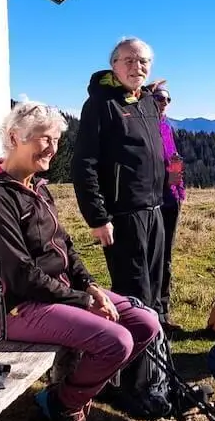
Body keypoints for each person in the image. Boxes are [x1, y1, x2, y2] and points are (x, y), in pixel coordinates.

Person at [0, 101, 160, 421]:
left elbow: (64, 244)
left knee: (146, 323)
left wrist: (90, 285)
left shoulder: (37, 186)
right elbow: (20, 276)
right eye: (44, 139)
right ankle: (66, 406)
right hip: (18, 308)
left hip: (57, 294)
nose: (52, 149)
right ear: (15, 137)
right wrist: (84, 302)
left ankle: (68, 395)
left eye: (56, 140)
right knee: (117, 342)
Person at [72, 37, 179, 323]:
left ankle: (157, 346)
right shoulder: (100, 104)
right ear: (114, 66)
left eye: (143, 61)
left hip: (155, 209)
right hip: (124, 215)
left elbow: (156, 152)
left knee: (155, 285)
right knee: (135, 292)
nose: (137, 67)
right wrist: (97, 218)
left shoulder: (147, 102)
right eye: (129, 61)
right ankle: (135, 348)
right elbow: (83, 164)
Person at [153, 84, 186, 330]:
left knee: (166, 258)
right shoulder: (145, 127)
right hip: (153, 201)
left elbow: (173, 159)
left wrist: (179, 190)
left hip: (171, 199)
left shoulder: (166, 127)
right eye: (159, 98)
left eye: (167, 99)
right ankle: (152, 313)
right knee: (152, 258)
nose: (164, 102)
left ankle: (163, 312)